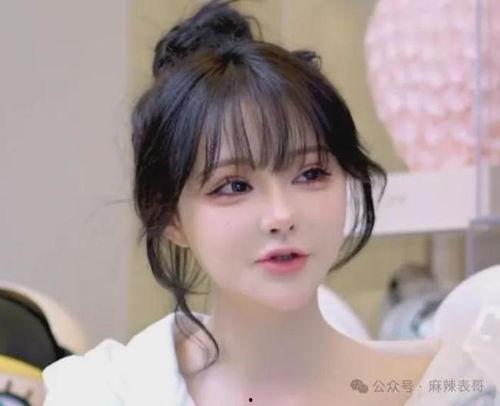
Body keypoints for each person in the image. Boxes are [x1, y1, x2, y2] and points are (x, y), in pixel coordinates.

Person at [42, 1, 500, 405]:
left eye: (310, 174)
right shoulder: (112, 393)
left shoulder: (453, 388)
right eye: (234, 186)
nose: (281, 215)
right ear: (169, 215)